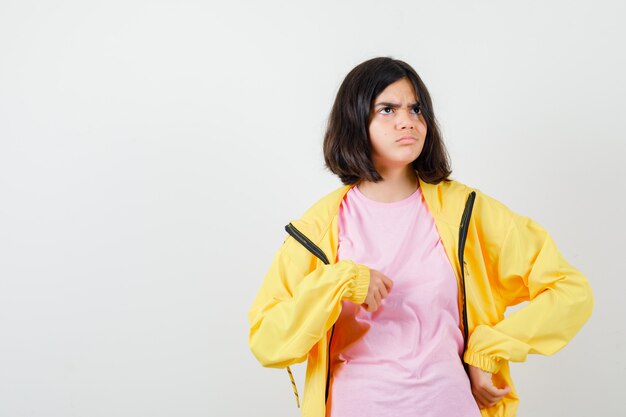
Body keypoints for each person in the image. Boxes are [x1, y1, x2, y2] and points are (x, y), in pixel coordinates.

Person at [247, 57, 594, 417]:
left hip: (447, 405)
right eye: (387, 109)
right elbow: (268, 342)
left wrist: (488, 349)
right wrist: (340, 281)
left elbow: (569, 290)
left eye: (416, 109)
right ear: (354, 121)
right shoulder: (318, 228)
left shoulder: (466, 212)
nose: (407, 121)